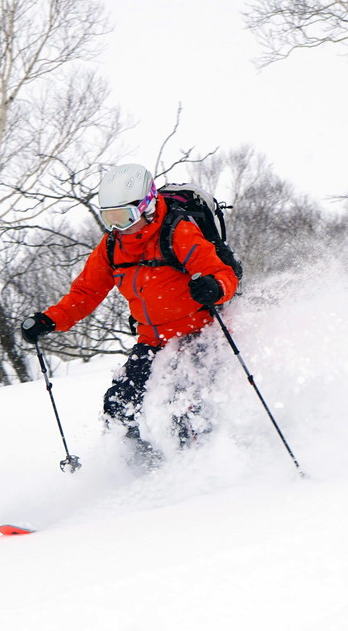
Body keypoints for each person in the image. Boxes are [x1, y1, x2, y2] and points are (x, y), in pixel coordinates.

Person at [19, 163, 238, 462]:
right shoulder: (112, 246)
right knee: (119, 405)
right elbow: (86, 293)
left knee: (184, 404)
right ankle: (139, 468)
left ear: (146, 206)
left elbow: (223, 273)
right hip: (152, 340)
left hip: (200, 332)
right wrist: (50, 320)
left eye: (124, 217)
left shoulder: (178, 232)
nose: (118, 227)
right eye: (109, 219)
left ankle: (202, 469)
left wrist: (214, 287)